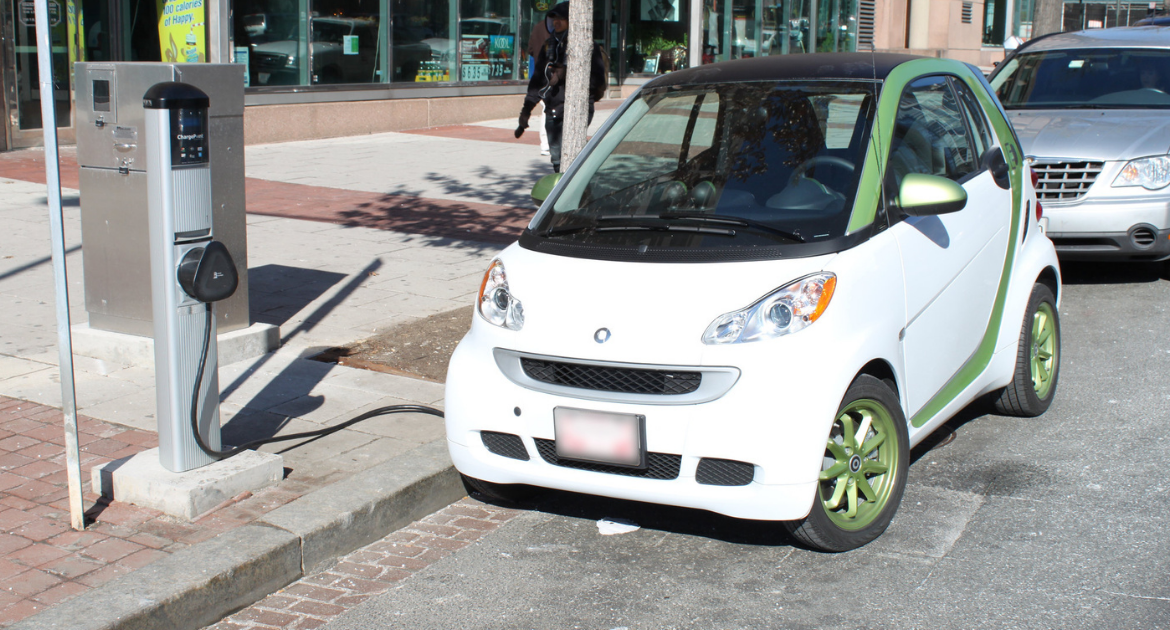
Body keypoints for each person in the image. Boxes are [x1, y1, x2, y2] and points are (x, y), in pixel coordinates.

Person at [515, 1, 607, 173]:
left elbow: (597, 80)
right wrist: (526, 111)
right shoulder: (548, 46)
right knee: (557, 159)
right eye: (553, 19)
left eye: (561, 19)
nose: (556, 22)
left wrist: (568, 73)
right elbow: (537, 80)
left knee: (571, 157)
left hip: (576, 108)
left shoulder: (587, 46)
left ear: (571, 20)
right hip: (553, 108)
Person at [526, 15, 554, 155]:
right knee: (550, 108)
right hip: (551, 74)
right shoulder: (559, 27)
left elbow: (530, 49)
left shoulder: (538, 27)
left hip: (540, 73)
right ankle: (548, 142)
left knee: (546, 108)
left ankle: (545, 143)